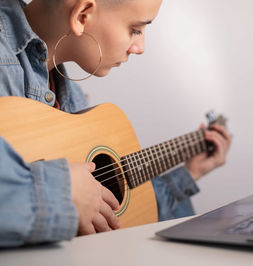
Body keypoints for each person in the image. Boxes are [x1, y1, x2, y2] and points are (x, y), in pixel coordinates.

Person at [0, 0, 231, 247]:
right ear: (82, 16)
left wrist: (190, 173)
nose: (140, 47)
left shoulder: (73, 100)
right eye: (135, 29)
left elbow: (118, 220)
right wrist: (58, 193)